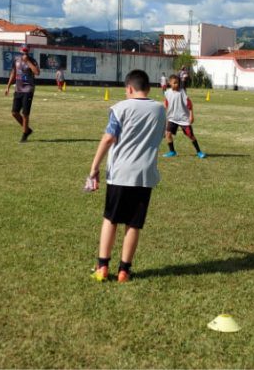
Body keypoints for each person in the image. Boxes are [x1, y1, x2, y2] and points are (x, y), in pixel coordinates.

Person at [87, 69, 166, 283]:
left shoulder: (120, 108)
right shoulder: (160, 109)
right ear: (148, 88)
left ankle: (102, 266)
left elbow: (108, 138)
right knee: (134, 223)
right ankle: (124, 270)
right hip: (145, 174)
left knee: (110, 219)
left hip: (120, 174)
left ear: (129, 88)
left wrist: (94, 168)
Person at [162, 74, 206, 159]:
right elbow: (166, 103)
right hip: (172, 118)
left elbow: (189, 104)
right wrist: (164, 111)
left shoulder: (182, 92)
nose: (176, 84)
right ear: (169, 83)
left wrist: (191, 115)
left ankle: (199, 152)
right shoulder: (167, 93)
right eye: (174, 83)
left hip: (183, 118)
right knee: (168, 134)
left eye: (177, 83)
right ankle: (172, 151)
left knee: (190, 135)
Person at [5, 44, 40, 143]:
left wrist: (27, 61)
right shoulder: (16, 60)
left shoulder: (32, 61)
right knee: (14, 112)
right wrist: (8, 86)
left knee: (25, 114)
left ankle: (24, 134)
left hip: (28, 90)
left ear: (29, 51)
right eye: (23, 50)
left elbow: (37, 72)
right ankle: (28, 130)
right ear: (20, 50)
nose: (25, 52)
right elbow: (13, 73)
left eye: (26, 51)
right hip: (18, 89)